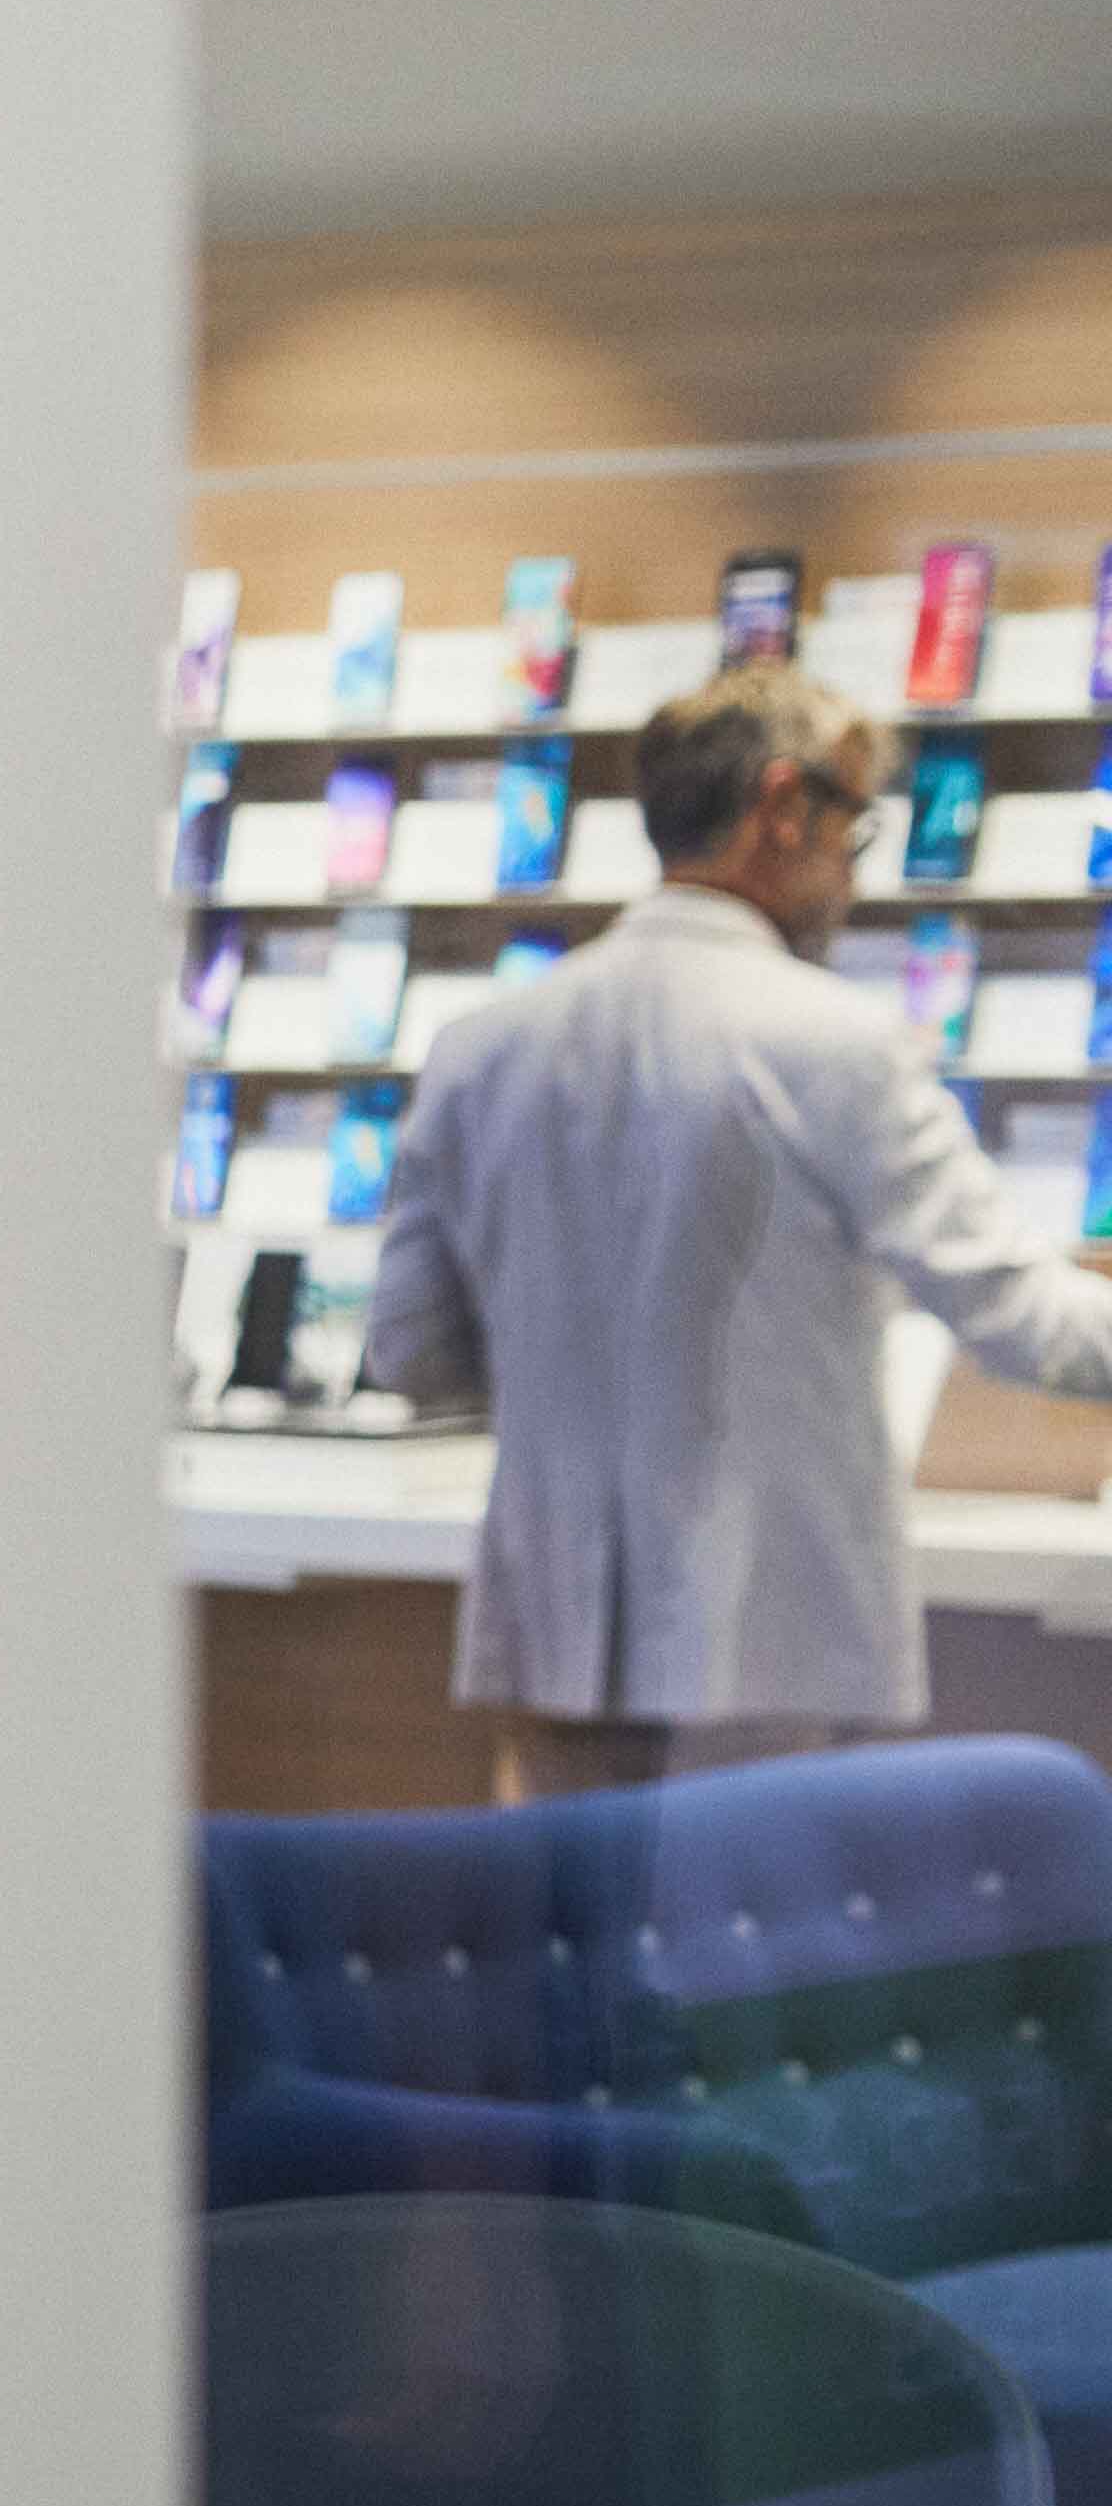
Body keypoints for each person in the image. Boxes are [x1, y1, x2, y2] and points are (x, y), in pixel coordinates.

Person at [370, 655, 1112, 1795]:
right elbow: (1021, 1316)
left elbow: (409, 1352)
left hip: (548, 1637)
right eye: (853, 831)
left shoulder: (480, 1050)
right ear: (782, 805)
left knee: (566, 1961)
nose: (853, 877)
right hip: (768, 1648)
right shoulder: (838, 1046)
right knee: (753, 1966)